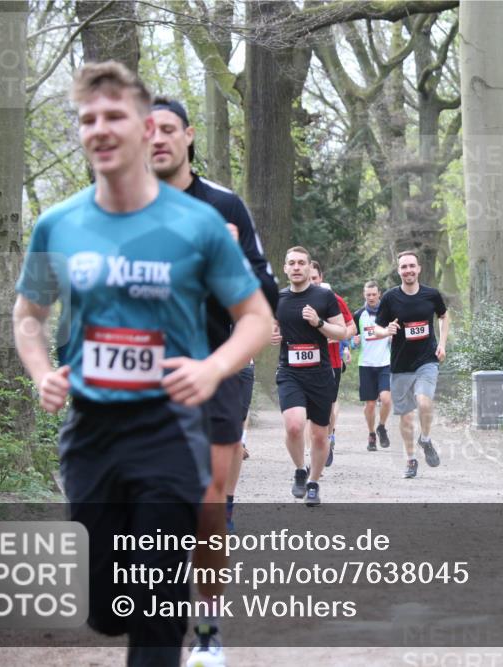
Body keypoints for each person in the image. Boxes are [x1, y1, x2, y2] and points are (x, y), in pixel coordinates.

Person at [11, 62, 271, 667]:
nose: (100, 129)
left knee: (155, 609)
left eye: (114, 116)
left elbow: (257, 318)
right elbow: (28, 314)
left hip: (171, 430)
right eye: (87, 119)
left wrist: (212, 369)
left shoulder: (199, 223)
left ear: (144, 127)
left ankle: (186, 627)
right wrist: (41, 372)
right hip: (92, 434)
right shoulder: (59, 224)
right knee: (106, 608)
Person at [149, 96, 278, 666]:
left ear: (189, 135)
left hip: (217, 365)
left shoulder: (223, 205)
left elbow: (265, 294)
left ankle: (205, 628)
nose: (157, 139)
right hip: (140, 373)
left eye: (168, 129)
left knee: (208, 505)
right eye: (147, 130)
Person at [272, 247, 347, 505]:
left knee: (318, 434)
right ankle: (299, 470)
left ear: (308, 267)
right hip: (289, 372)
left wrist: (319, 323)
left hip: (320, 374)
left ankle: (314, 482)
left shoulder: (324, 296)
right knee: (294, 425)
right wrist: (270, 335)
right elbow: (270, 328)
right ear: (285, 268)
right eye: (291, 263)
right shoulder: (277, 299)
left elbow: (342, 332)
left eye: (301, 263)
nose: (296, 267)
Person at [372, 250, 450, 478]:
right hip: (400, 365)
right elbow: (376, 328)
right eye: (404, 267)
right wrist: (386, 331)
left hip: (426, 360)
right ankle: (411, 459)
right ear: (399, 271)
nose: (408, 270)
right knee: (406, 417)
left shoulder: (431, 295)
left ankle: (425, 439)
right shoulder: (390, 298)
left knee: (424, 403)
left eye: (411, 266)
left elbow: (444, 316)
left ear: (419, 269)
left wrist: (442, 344)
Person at [308, 260, 355, 466]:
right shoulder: (293, 300)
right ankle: (314, 450)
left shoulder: (333, 299)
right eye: (308, 278)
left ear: (321, 278)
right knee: (307, 410)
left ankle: (329, 436)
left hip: (331, 362)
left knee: (327, 406)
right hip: (305, 364)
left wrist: (337, 336)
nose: (312, 282)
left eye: (315, 278)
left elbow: (352, 328)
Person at [353, 281, 392, 451]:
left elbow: (394, 334)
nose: (371, 297)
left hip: (385, 363)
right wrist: (353, 343)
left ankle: (381, 427)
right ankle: (371, 434)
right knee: (370, 405)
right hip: (366, 364)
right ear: (364, 295)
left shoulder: (387, 313)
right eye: (368, 294)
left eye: (374, 294)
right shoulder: (358, 315)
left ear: (379, 294)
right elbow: (353, 338)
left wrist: (392, 338)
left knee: (386, 399)